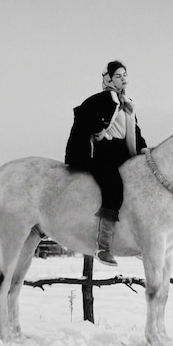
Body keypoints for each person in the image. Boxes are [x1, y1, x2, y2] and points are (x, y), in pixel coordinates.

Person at [65, 60, 147, 266]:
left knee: (143, 186)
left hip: (124, 152)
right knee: (114, 188)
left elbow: (134, 130)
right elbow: (82, 115)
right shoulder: (101, 99)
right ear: (108, 79)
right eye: (118, 75)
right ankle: (103, 246)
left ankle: (141, 241)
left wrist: (143, 147)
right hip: (103, 153)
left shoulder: (127, 103)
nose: (123, 79)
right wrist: (98, 131)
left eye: (125, 75)